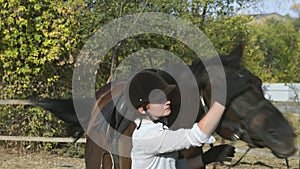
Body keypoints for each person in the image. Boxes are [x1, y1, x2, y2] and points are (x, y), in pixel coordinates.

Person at [125, 69, 239, 169]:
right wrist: (221, 100)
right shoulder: (148, 136)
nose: (167, 101)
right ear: (142, 109)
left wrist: (207, 157)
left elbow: (177, 166)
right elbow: (197, 136)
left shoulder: (158, 128)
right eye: (159, 99)